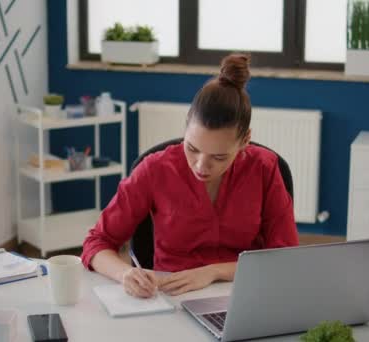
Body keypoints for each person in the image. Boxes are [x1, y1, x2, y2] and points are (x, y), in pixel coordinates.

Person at [81, 53, 298, 298]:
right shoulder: (155, 169)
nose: (201, 166)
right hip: (172, 297)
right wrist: (125, 274)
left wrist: (212, 272)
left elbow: (285, 259)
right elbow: (97, 242)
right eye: (192, 148)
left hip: (244, 295)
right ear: (186, 126)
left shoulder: (265, 168)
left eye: (219, 157)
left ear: (245, 140)